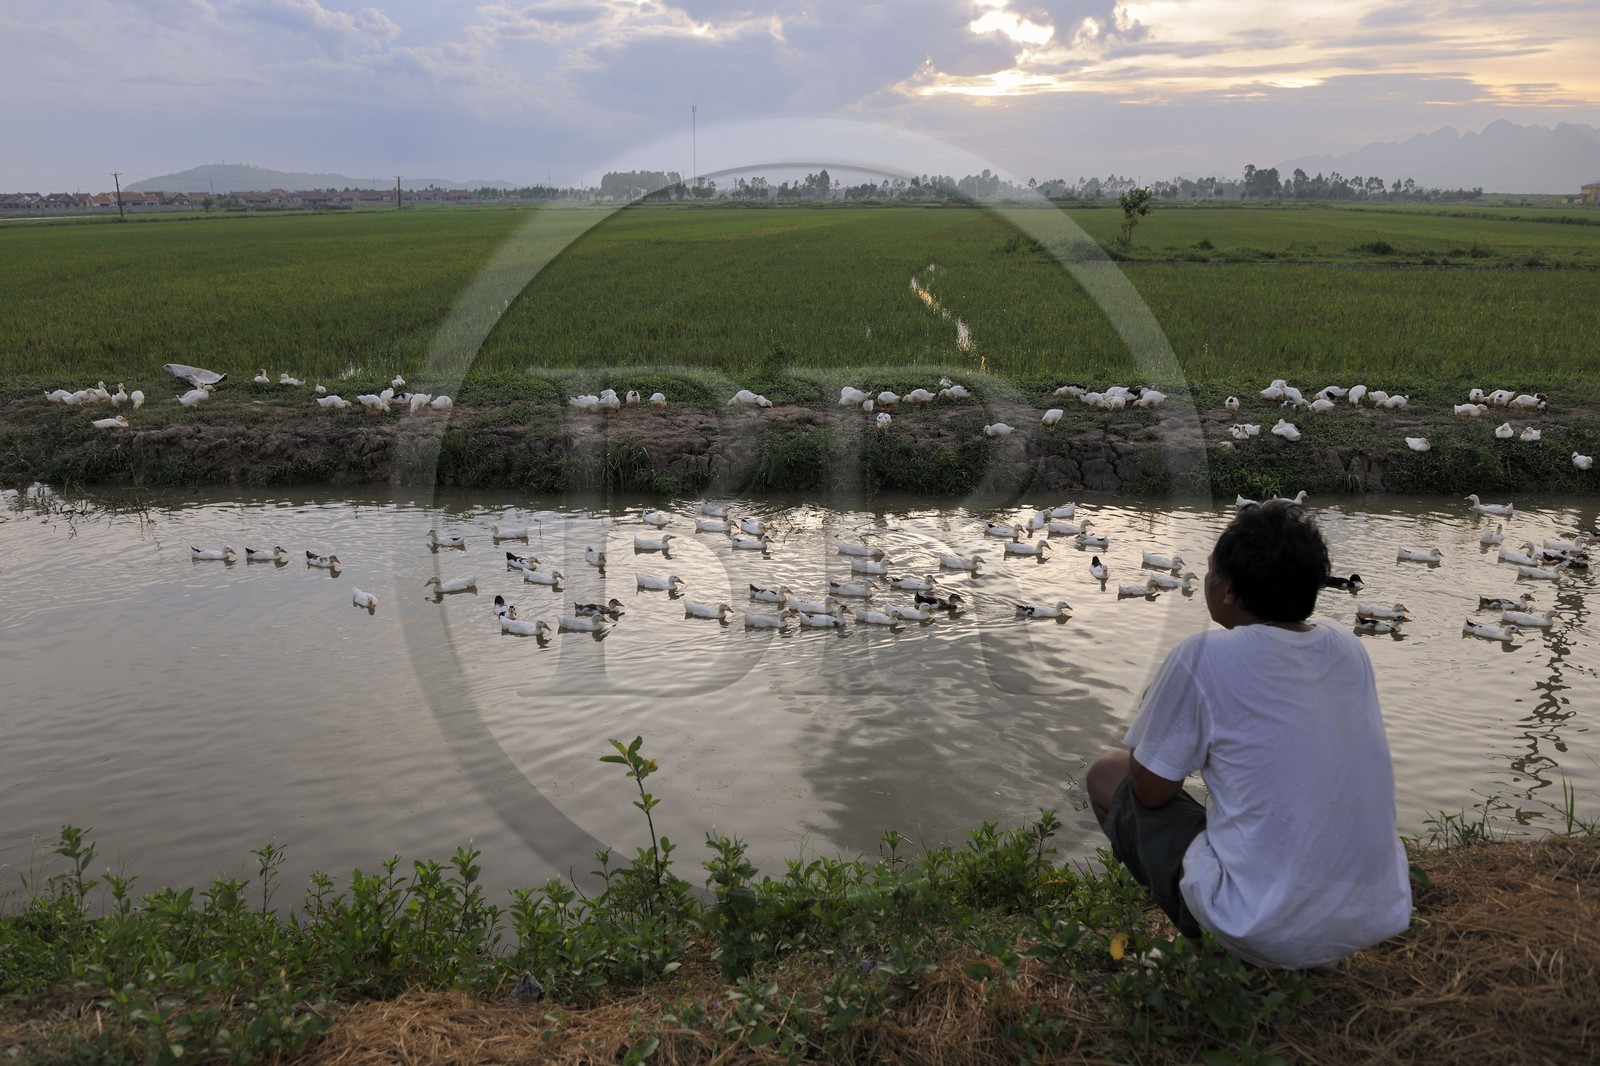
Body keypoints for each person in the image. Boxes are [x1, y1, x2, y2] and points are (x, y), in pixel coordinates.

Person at [1085, 500, 1411, 969]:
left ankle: (1218, 941)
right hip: (1372, 915)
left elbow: (1150, 792)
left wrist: (1154, 724)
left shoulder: (1201, 657)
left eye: (1211, 571)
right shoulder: (1347, 646)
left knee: (1106, 773)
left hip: (1264, 928)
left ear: (1229, 592)